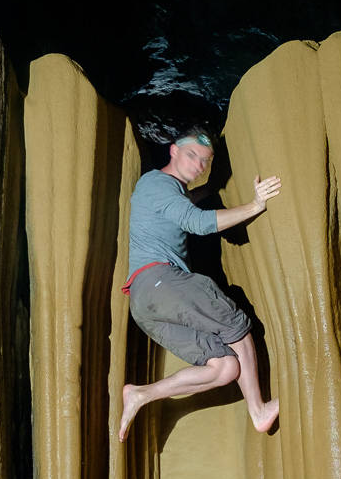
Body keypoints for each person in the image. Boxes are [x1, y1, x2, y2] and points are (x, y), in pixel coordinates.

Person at [118, 129, 281, 441]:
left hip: (145, 306)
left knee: (225, 368)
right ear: (173, 151)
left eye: (204, 161)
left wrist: (208, 190)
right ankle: (258, 410)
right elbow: (195, 222)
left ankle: (141, 394)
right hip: (160, 281)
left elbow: (181, 206)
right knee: (234, 325)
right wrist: (255, 205)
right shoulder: (157, 182)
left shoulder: (163, 191)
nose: (198, 165)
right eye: (192, 155)